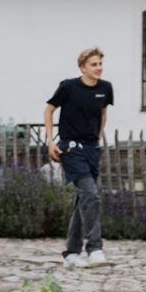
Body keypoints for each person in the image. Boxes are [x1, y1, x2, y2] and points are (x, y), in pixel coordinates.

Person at [44, 46, 115, 267]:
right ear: (83, 67)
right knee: (91, 196)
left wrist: (99, 134)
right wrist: (50, 141)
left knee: (83, 200)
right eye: (94, 64)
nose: (98, 68)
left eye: (100, 64)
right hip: (71, 149)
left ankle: (72, 253)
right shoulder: (68, 87)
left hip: (92, 149)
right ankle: (95, 248)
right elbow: (49, 110)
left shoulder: (106, 88)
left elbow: (103, 112)